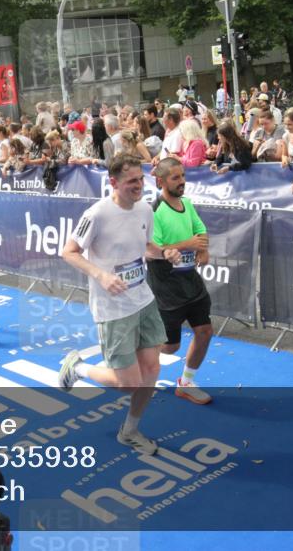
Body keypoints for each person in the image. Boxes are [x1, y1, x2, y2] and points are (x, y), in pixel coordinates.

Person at [59, 154, 182, 454]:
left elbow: (146, 246)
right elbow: (69, 251)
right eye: (131, 182)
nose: (138, 186)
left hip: (143, 300)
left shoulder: (144, 210)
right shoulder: (97, 214)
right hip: (113, 309)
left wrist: (164, 252)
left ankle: (130, 430)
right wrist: (101, 275)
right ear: (114, 183)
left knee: (151, 370)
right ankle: (78, 368)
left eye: (141, 179)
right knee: (128, 383)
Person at [147, 158, 212, 405]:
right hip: (166, 287)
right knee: (171, 346)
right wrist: (188, 245)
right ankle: (140, 351)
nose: (182, 181)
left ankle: (185, 383)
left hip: (191, 282)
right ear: (161, 181)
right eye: (175, 178)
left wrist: (203, 249)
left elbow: (200, 230)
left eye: (183, 175)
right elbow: (154, 249)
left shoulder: (187, 203)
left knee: (205, 331)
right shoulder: (155, 211)